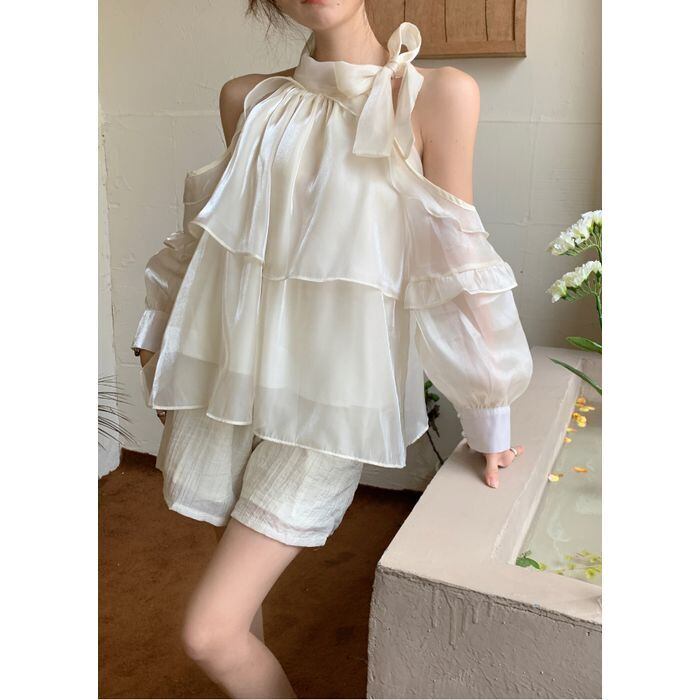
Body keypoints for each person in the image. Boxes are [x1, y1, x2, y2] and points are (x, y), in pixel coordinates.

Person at [130, 1, 533, 696]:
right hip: (223, 380)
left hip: (331, 402)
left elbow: (458, 264)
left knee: (209, 632)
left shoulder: (439, 96)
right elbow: (213, 242)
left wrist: (488, 412)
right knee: (240, 613)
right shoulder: (247, 99)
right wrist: (160, 345)